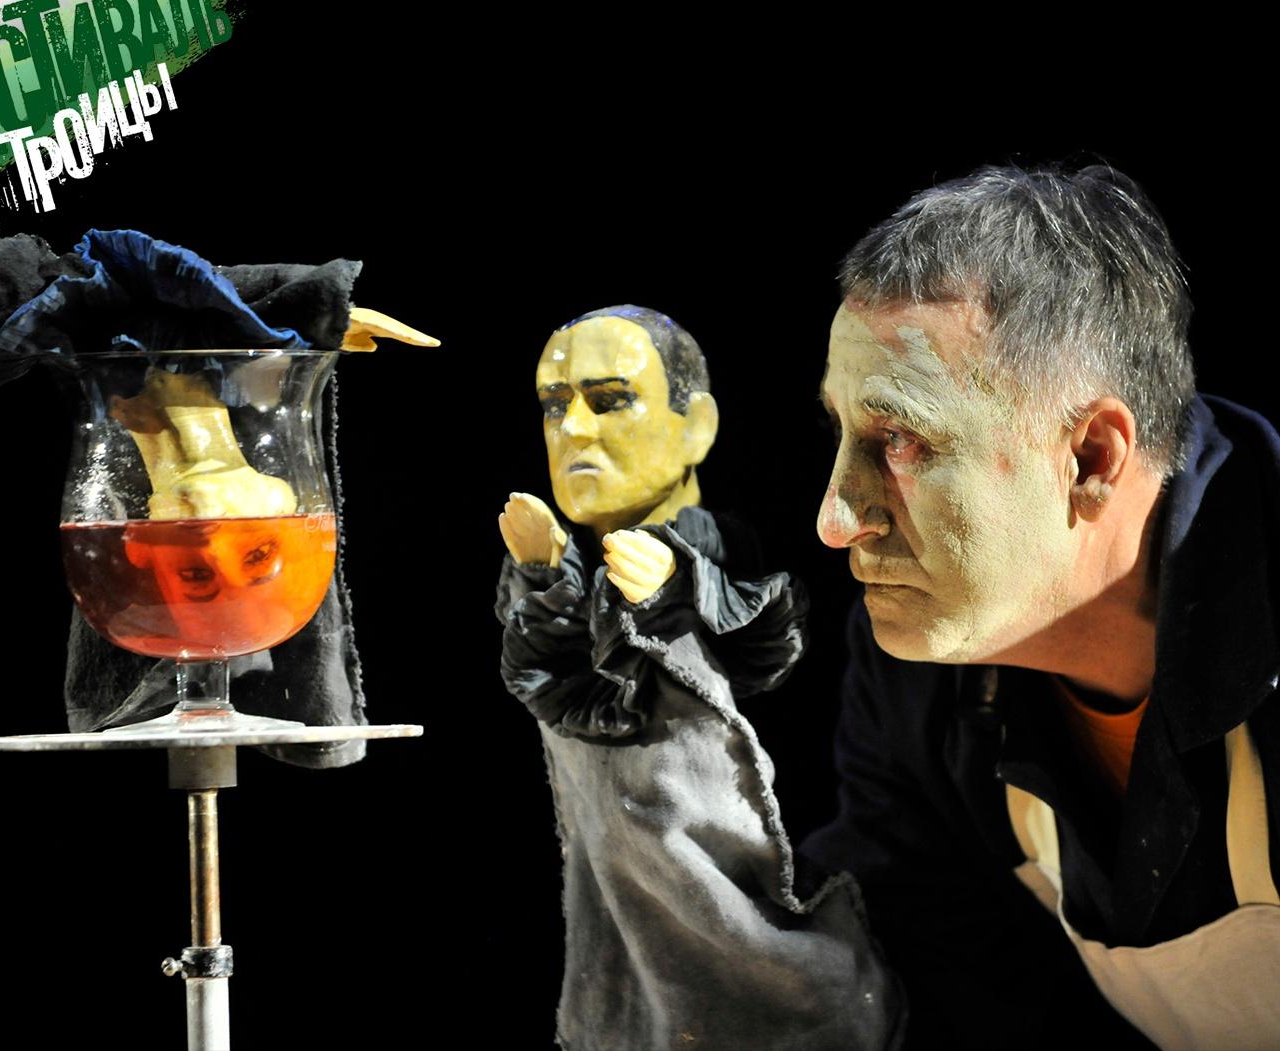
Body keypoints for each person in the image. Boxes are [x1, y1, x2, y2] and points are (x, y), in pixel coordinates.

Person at [800, 164, 1280, 1050]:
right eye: (839, 432)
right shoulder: (922, 676)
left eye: (898, 437)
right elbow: (919, 981)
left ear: (1091, 457)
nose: (835, 520)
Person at [494, 306, 900, 1050]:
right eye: (554, 406)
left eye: (610, 400)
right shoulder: (567, 561)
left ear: (697, 427)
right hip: (611, 879)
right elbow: (548, 685)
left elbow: (767, 648)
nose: (574, 429)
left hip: (734, 887)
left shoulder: (719, 552)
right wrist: (544, 575)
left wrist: (678, 588)